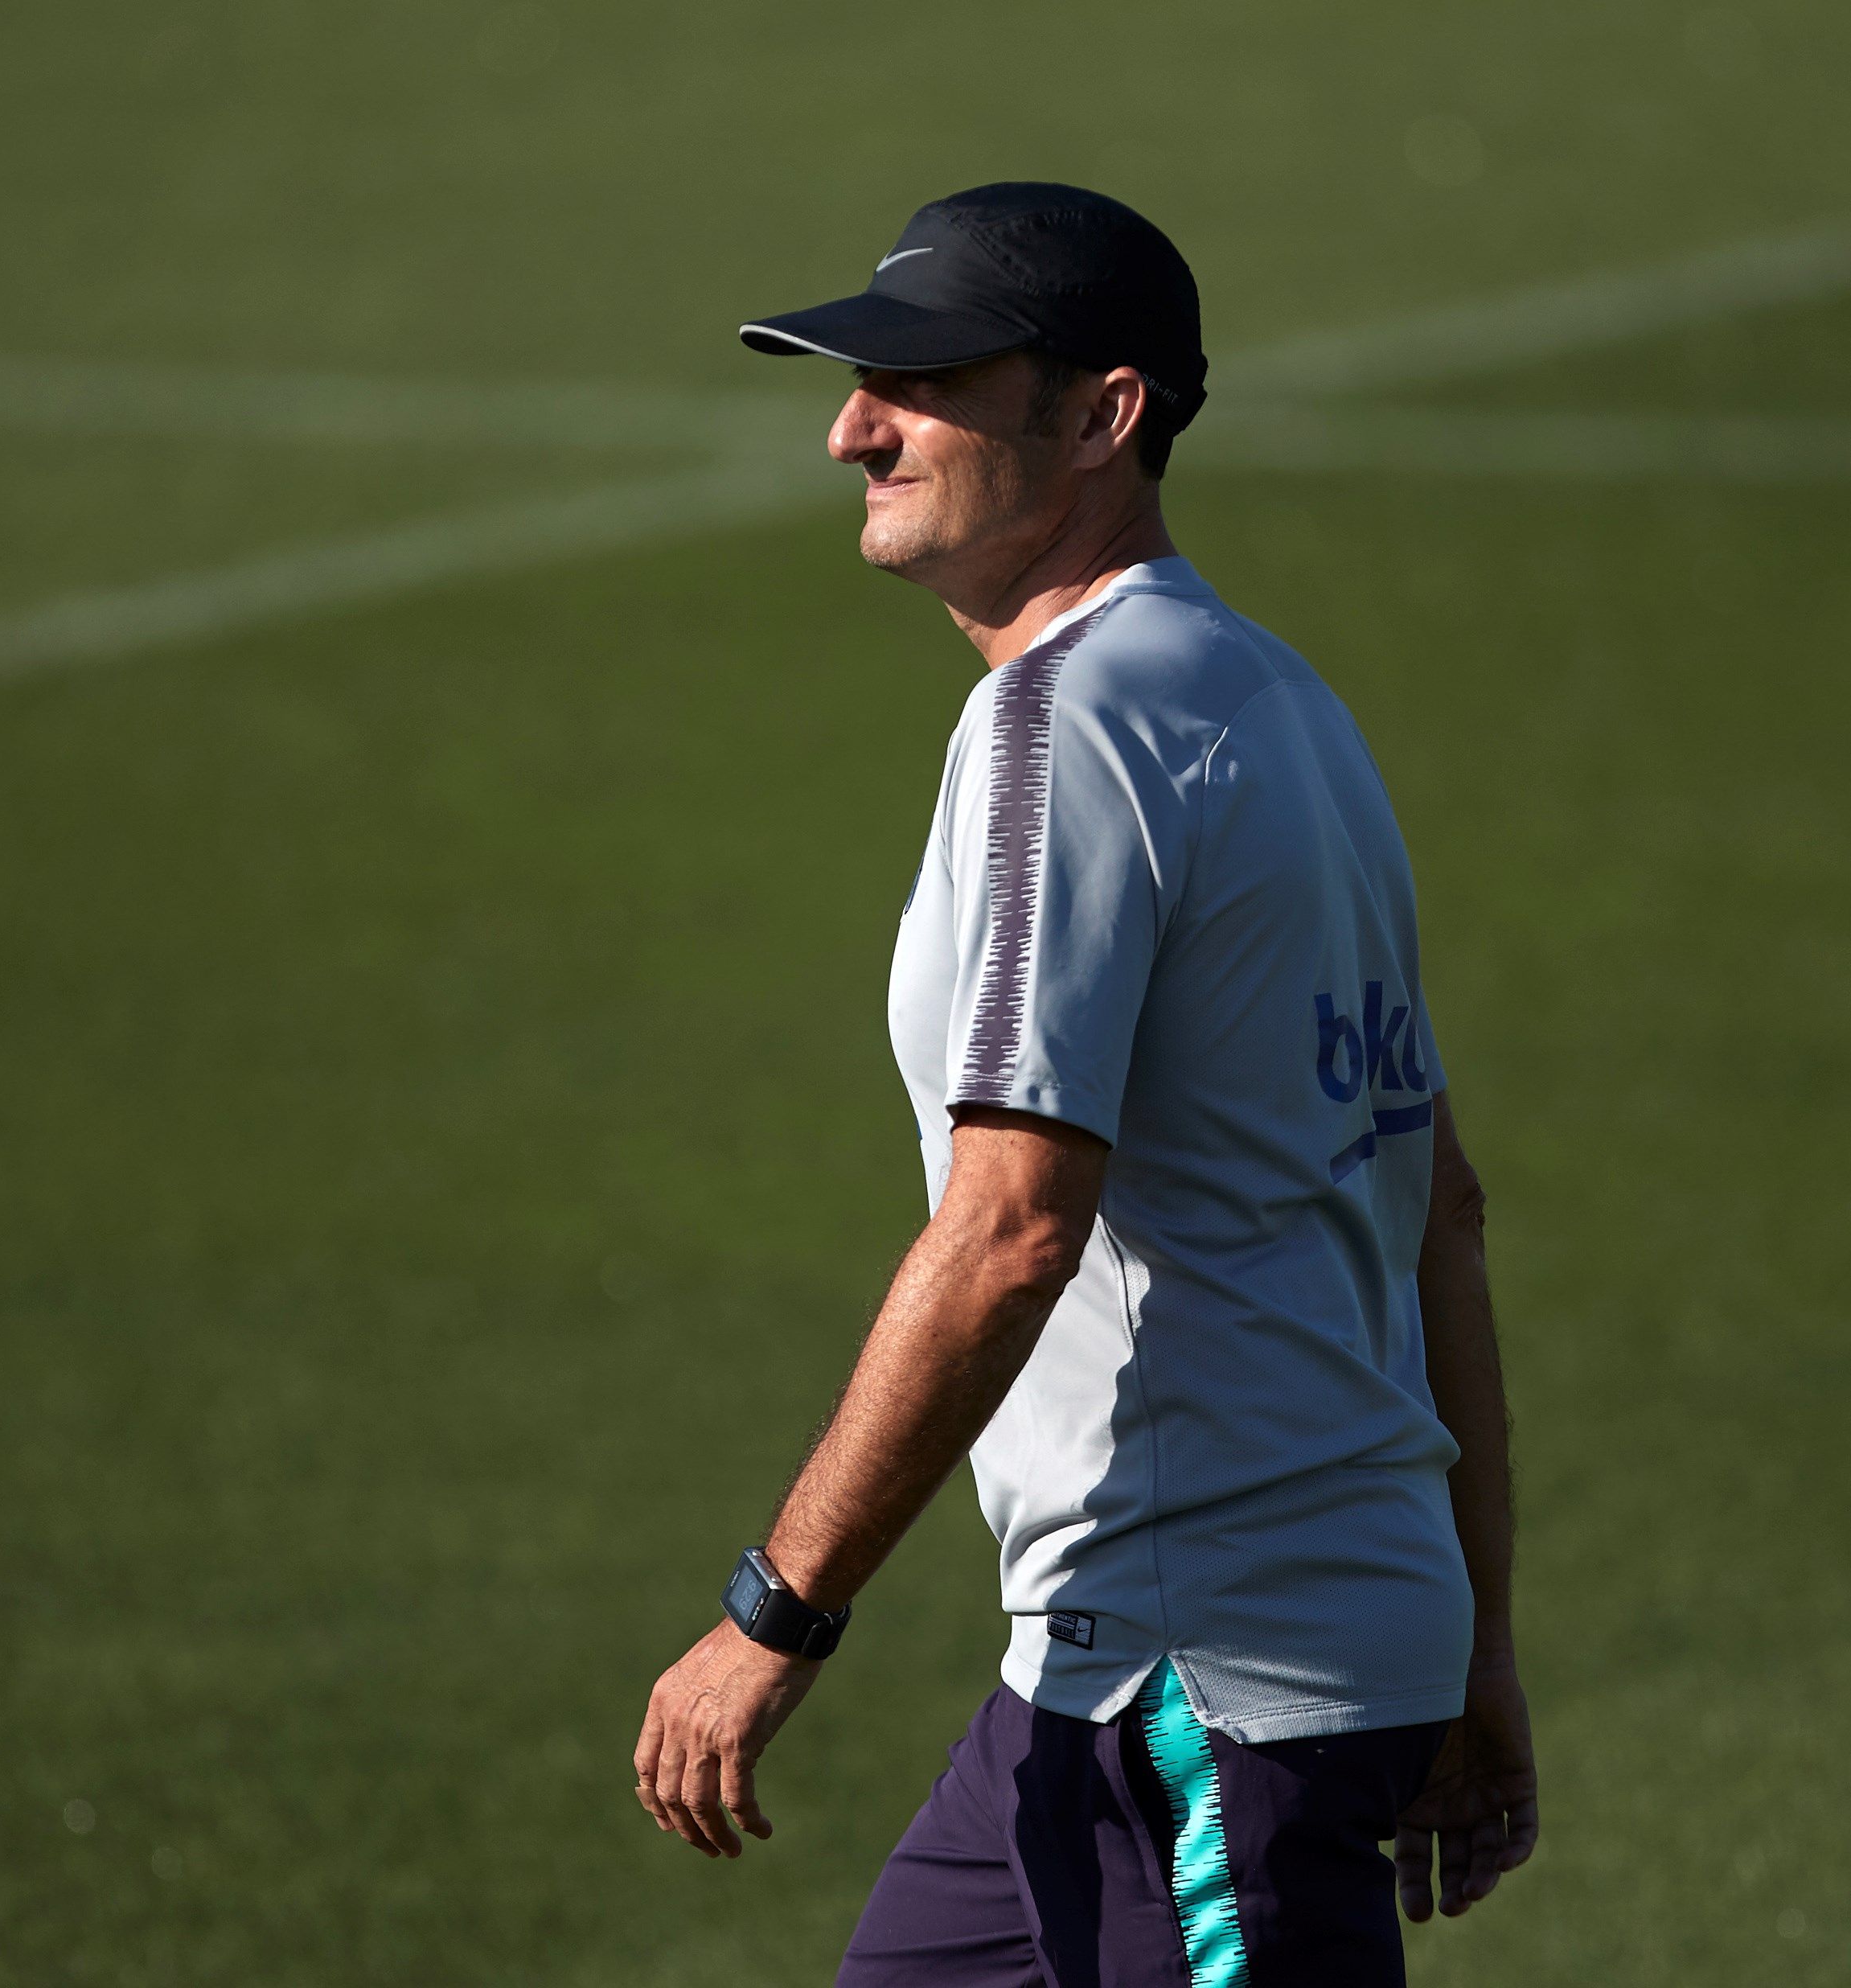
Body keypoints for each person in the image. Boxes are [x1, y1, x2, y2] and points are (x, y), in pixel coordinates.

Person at [630, 183, 1535, 1987]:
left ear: (1107, 415)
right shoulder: (1286, 708)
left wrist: (776, 1613)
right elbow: (1440, 1204)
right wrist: (1472, 1640)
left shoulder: (1071, 722)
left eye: (923, 384)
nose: (851, 431)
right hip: (1146, 1667)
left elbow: (1011, 1234)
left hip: (1205, 1680)